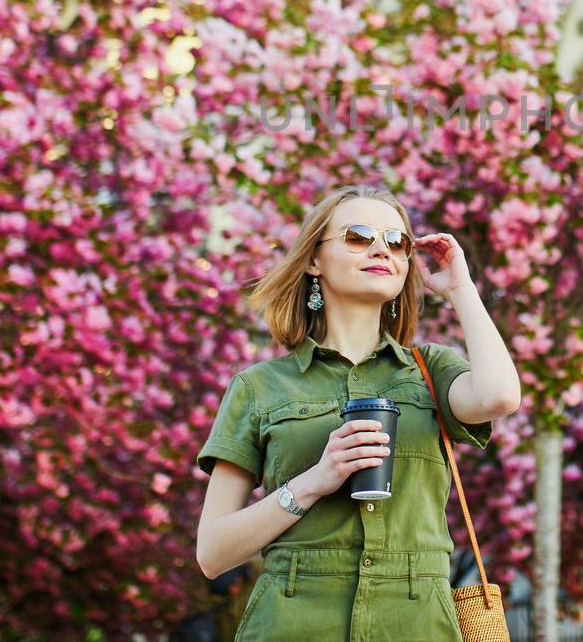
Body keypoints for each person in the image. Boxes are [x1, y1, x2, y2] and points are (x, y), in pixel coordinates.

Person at [194, 183, 522, 641]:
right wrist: (312, 482)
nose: (380, 249)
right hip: (294, 625)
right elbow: (212, 553)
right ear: (313, 259)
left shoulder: (432, 370)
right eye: (358, 236)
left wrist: (461, 289)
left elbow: (500, 397)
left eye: (397, 242)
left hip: (416, 624)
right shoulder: (259, 388)